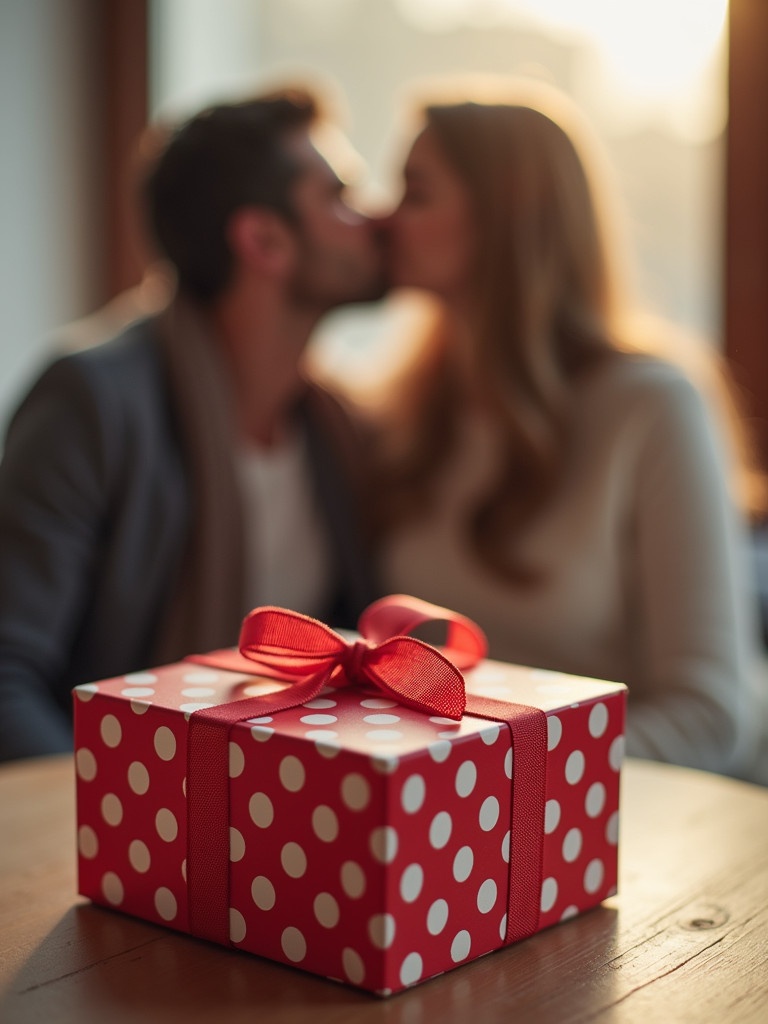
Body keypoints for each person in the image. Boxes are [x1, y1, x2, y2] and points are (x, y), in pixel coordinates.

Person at [367, 78, 768, 780]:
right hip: (466, 829)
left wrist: (488, 772)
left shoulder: (652, 406)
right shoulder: (403, 407)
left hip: (635, 829)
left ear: (505, 219)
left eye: (416, 192)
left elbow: (712, 717)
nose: (383, 218)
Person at [0, 86, 386, 762]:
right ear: (263, 240)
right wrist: (118, 832)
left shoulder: (338, 429)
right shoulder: (91, 400)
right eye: (339, 196)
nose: (371, 219)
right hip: (121, 825)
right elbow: (7, 677)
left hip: (278, 822)